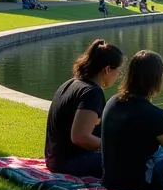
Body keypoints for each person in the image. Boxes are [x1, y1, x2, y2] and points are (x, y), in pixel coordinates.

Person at [101, 50, 163, 190]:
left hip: (110, 181)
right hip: (137, 185)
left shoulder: (113, 102)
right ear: (156, 77)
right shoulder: (154, 115)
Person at [45, 40, 126, 177]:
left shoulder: (72, 83)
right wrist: (112, 146)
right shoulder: (92, 93)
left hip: (55, 159)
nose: (119, 75)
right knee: (132, 159)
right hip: (68, 162)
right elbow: (80, 137)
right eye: (118, 71)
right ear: (107, 70)